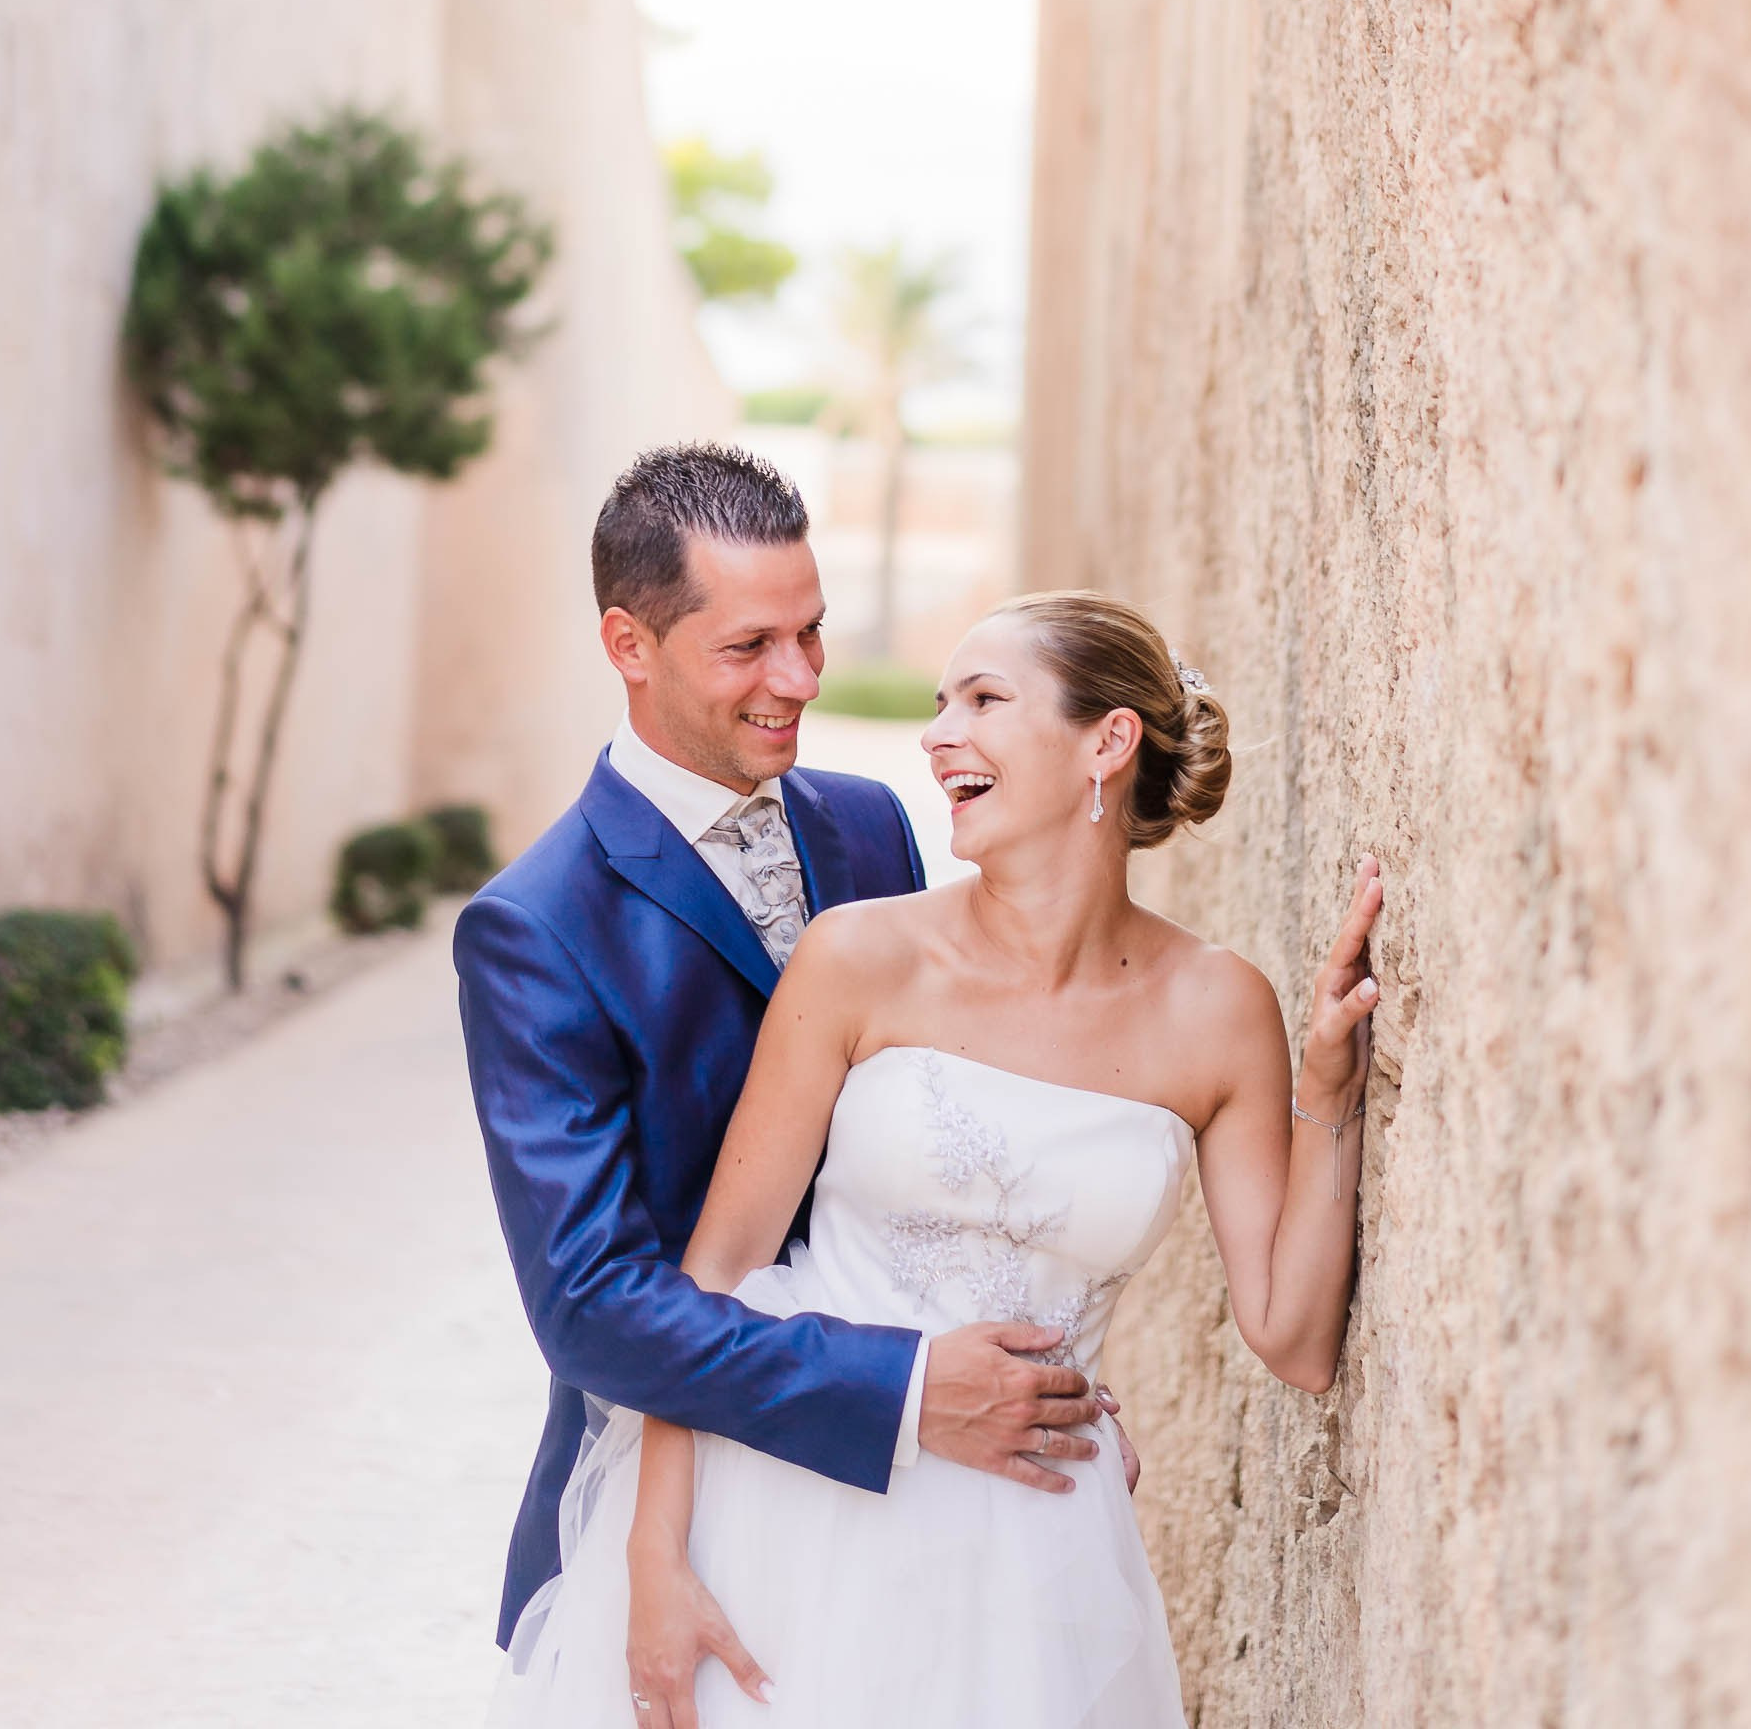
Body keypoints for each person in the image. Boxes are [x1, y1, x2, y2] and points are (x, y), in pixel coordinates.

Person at [495, 583, 1383, 1729]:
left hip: (1033, 1560)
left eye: (982, 700)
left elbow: (1295, 1341)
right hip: (784, 1513)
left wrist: (1326, 1095)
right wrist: (655, 1554)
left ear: (1105, 743)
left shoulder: (1218, 1009)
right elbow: (717, 1271)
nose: (936, 734)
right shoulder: (858, 958)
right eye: (935, 703)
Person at [456, 446, 1110, 1660]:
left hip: (949, 1488)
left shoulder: (869, 827)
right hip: (684, 1498)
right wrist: (905, 1389)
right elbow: (591, 1308)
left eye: (809, 632)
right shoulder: (534, 929)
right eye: (749, 646)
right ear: (628, 645)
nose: (799, 678)